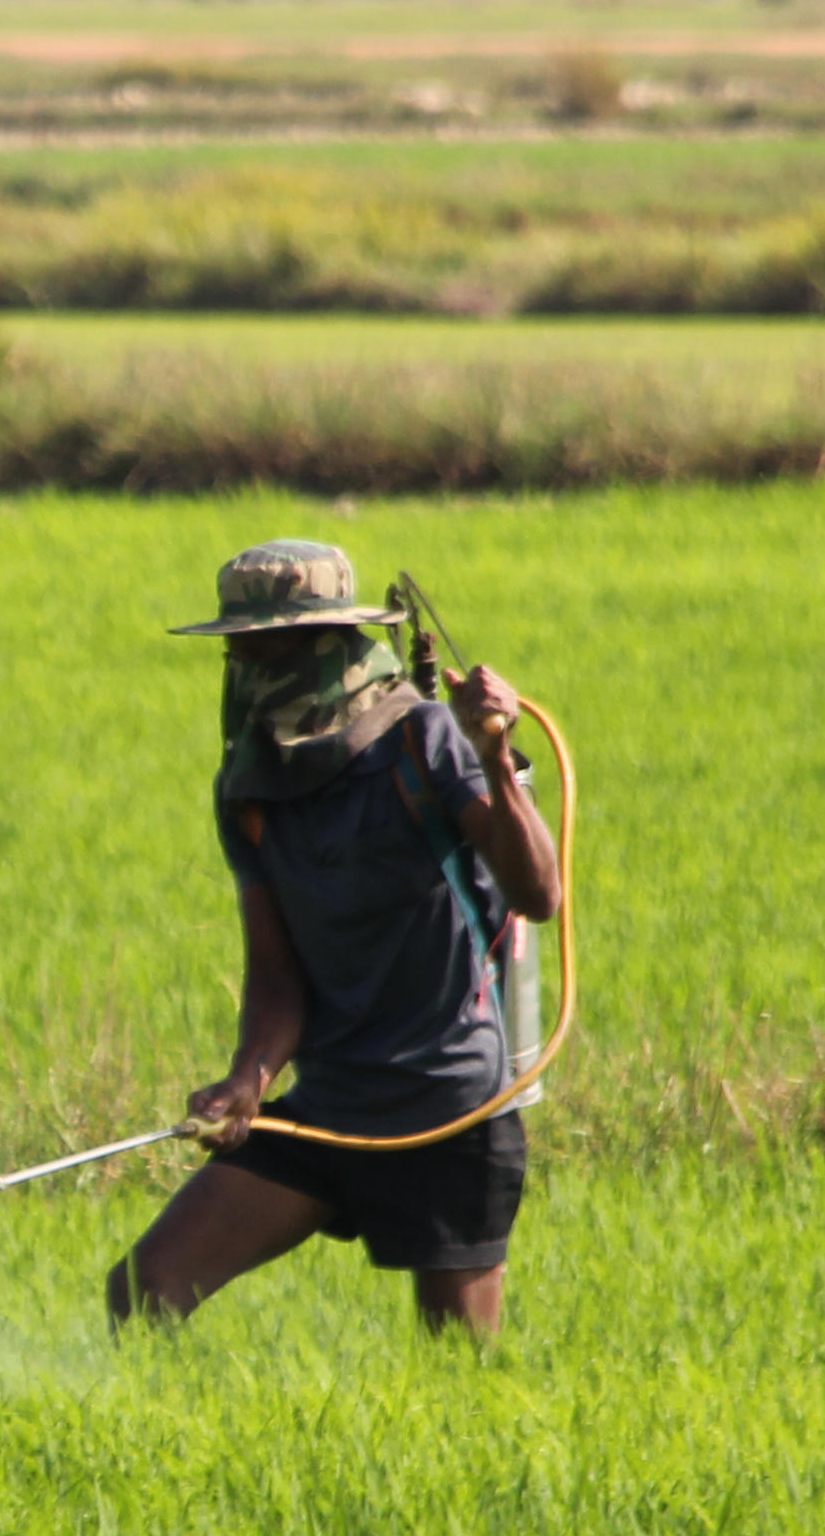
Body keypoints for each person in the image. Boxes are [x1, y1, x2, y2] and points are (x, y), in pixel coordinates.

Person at [107, 537, 558, 1338]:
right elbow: (278, 974)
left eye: (271, 644)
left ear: (332, 643)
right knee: (147, 1289)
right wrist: (248, 1078)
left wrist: (492, 758)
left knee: (460, 1374)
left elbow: (539, 895)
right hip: (331, 1110)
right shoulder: (247, 788)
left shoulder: (420, 741)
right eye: (241, 647)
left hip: (449, 1111)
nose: (251, 665)